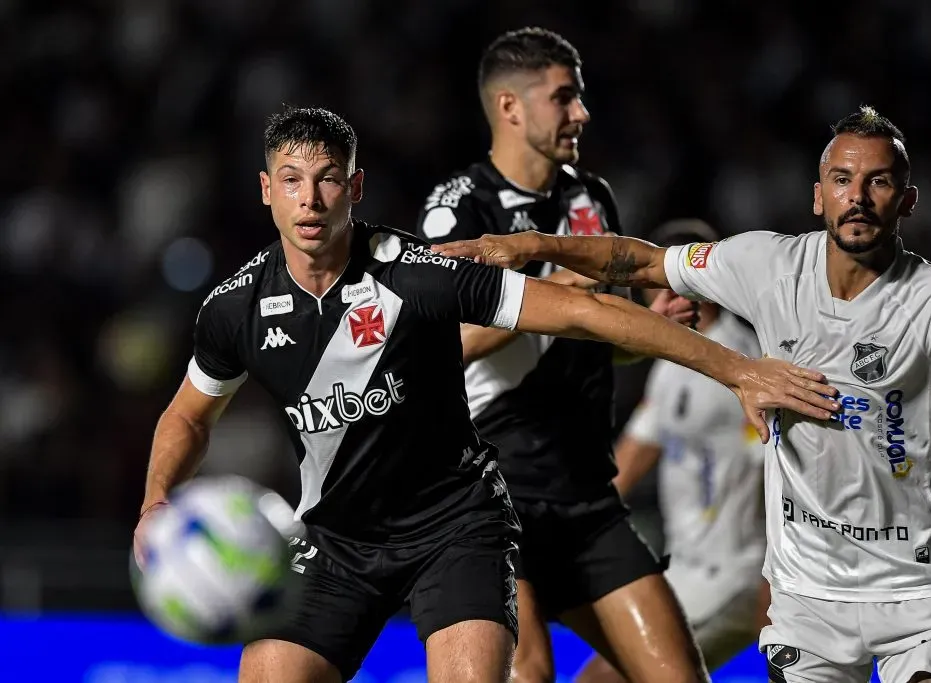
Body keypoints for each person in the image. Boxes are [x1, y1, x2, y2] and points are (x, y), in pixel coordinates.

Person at [133, 106, 840, 683]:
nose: (309, 199)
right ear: (266, 189)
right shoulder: (235, 309)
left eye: (326, 179)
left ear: (355, 188)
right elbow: (188, 415)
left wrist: (738, 369)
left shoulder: (419, 274)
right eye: (291, 180)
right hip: (337, 537)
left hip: (455, 525)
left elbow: (584, 312)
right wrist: (156, 499)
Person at [433, 106, 931, 683]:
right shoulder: (767, 266)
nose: (859, 197)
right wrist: (530, 246)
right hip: (808, 597)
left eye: (879, 182)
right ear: (819, 196)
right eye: (843, 180)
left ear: (908, 199)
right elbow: (642, 261)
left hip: (914, 588)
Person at [417, 27, 709, 683]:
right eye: (563, 98)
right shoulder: (459, 209)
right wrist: (558, 291)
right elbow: (440, 348)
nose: (581, 113)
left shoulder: (590, 199)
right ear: (510, 108)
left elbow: (587, 341)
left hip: (584, 495)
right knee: (530, 671)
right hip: (489, 491)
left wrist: (637, 325)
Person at [575, 219, 772, 682]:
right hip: (683, 571)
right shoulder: (671, 362)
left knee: (604, 680)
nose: (642, 291)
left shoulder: (739, 363)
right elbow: (632, 457)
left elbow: (778, 470)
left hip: (732, 575)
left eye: (648, 276)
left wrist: (775, 581)